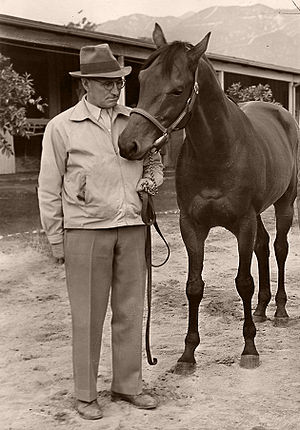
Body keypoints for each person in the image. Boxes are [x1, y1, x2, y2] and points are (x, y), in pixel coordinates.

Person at [38, 43, 163, 420]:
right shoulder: (62, 127)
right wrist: (57, 240)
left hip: (131, 228)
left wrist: (152, 178)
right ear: (85, 86)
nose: (116, 90)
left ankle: (127, 386)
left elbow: (153, 163)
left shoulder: (133, 122)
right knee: (88, 316)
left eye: (119, 82)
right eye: (107, 83)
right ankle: (85, 395)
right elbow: (48, 189)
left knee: (129, 311)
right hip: (85, 232)